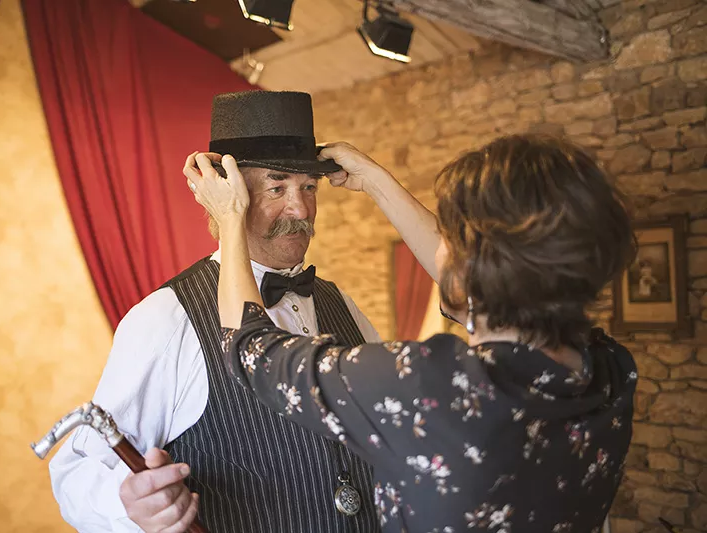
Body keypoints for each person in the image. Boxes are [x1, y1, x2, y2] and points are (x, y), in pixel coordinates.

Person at [185, 134, 638, 533]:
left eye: (453, 236)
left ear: (479, 266)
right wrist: (375, 181)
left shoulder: (428, 384)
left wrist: (230, 220)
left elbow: (251, 348)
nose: (442, 247)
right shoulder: (611, 368)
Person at [49, 91, 382, 533]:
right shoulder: (167, 317)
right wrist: (128, 504)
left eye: (308, 188)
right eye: (277, 186)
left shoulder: (342, 304)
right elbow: (76, 471)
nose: (300, 209)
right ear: (229, 193)